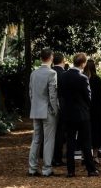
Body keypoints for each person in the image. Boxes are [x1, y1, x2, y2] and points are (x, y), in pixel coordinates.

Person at [60, 52, 99, 178]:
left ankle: (70, 170)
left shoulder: (63, 76)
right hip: (82, 114)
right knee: (86, 143)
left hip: (68, 114)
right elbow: (88, 98)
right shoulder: (83, 78)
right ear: (83, 63)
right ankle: (90, 169)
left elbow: (61, 94)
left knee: (70, 143)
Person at [28, 48, 59, 177]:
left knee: (36, 139)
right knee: (48, 140)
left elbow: (30, 93)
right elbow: (52, 95)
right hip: (48, 111)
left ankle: (32, 168)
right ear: (51, 58)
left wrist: (34, 105)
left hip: (36, 109)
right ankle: (47, 168)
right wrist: (55, 110)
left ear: (41, 58)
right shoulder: (52, 73)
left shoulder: (33, 73)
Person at [83, 59, 101, 164]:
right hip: (96, 109)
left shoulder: (82, 78)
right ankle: (95, 156)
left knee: (85, 133)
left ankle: (84, 156)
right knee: (96, 132)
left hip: (85, 109)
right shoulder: (97, 79)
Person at [51, 53, 67, 166]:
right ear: (63, 61)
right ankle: (57, 157)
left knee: (49, 133)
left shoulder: (49, 72)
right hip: (62, 106)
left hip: (48, 106)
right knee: (60, 133)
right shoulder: (64, 74)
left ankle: (47, 155)